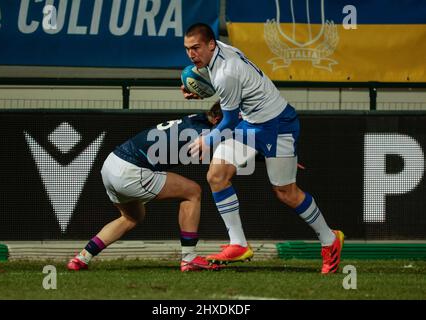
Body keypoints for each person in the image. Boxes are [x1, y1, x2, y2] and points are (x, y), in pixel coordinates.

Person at [182, 23, 344, 274]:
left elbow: (227, 120)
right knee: (216, 176)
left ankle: (330, 240)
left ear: (211, 44)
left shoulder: (226, 72)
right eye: (187, 49)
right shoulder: (219, 55)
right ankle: (238, 244)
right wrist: (201, 88)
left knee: (286, 192)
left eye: (196, 48)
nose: (192, 55)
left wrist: (207, 140)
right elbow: (231, 94)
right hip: (251, 123)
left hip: (278, 125)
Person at [67, 102, 223, 272]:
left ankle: (82, 258)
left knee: (131, 217)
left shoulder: (196, 118)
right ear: (216, 119)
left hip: (112, 163)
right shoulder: (204, 133)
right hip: (131, 170)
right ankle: (189, 258)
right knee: (192, 192)